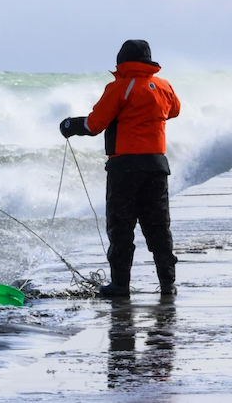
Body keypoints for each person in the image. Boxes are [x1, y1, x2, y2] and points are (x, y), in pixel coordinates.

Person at [60, 40, 181, 297]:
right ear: (148, 61)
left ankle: (120, 285)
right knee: (158, 226)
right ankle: (168, 284)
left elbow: (95, 124)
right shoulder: (164, 86)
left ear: (121, 61)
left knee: (121, 226)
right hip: (157, 166)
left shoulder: (119, 87)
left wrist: (71, 125)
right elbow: (174, 112)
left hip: (125, 167)